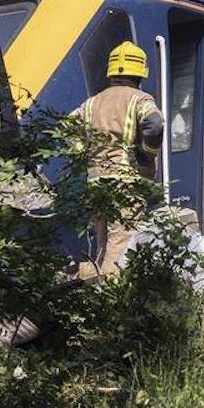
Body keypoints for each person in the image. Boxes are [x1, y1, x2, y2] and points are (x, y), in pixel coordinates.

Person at [71, 41, 163, 275]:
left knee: (104, 243)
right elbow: (154, 124)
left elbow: (67, 126)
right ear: (141, 72)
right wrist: (146, 154)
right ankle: (112, 298)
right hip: (125, 181)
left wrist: (82, 152)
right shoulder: (140, 99)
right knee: (121, 242)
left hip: (96, 181)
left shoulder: (92, 102)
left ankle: (92, 288)